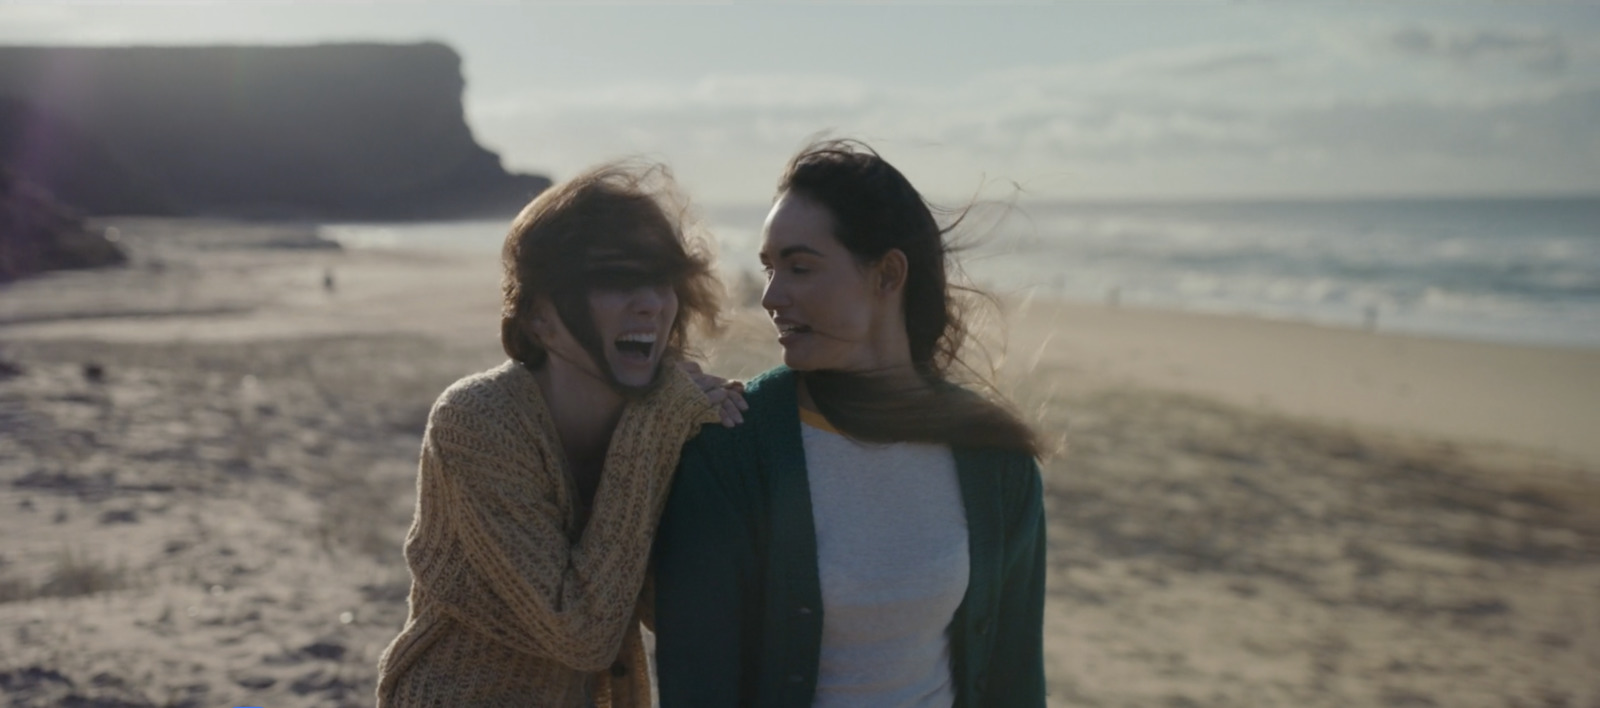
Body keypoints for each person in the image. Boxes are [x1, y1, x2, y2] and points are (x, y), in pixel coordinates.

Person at [654, 140, 1047, 707]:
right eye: (769, 268)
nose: (770, 296)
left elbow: (1015, 682)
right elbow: (698, 685)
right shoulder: (732, 448)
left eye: (800, 267)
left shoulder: (996, 459)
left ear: (887, 274)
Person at [376, 162, 744, 707]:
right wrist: (655, 427)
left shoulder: (656, 420)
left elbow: (670, 612)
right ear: (538, 316)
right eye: (616, 279)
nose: (650, 301)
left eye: (662, 277)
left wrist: (716, 453)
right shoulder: (475, 420)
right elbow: (581, 631)